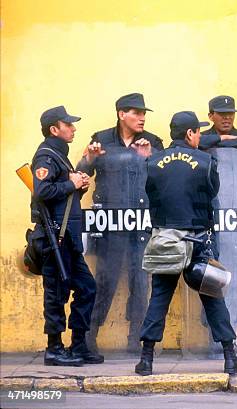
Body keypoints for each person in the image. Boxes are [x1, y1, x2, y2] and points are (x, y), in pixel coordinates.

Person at [135, 111, 237, 375]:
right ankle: (230, 357)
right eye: (198, 132)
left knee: (159, 298)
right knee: (212, 294)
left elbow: (151, 194)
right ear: (189, 134)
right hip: (198, 239)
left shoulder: (153, 161)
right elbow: (212, 192)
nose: (199, 136)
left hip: (165, 239)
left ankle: (146, 360)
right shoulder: (206, 161)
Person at [77, 93, 163, 353]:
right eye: (136, 112)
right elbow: (82, 171)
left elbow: (163, 173)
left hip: (140, 224)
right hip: (110, 227)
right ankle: (89, 337)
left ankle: (137, 340)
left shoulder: (153, 141)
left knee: (140, 282)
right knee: (105, 281)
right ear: (121, 114)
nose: (142, 117)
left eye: (143, 113)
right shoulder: (101, 139)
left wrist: (149, 157)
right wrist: (89, 158)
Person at [32, 106, 103, 366]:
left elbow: (62, 200)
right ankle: (54, 349)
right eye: (68, 124)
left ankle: (78, 345)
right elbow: (42, 191)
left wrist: (78, 187)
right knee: (56, 294)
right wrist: (70, 184)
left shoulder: (61, 157)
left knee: (87, 288)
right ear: (54, 129)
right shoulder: (47, 156)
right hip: (54, 241)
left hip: (68, 240)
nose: (73, 128)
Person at [197, 96, 237, 345]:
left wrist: (229, 140)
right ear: (210, 115)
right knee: (213, 277)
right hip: (212, 220)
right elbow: (199, 142)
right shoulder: (204, 139)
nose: (227, 118)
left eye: (230, 113)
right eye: (221, 114)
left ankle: (235, 329)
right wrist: (222, 139)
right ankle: (215, 335)